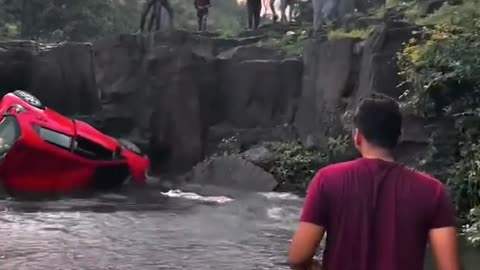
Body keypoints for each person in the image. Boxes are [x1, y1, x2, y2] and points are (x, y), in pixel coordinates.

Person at [288, 93, 461, 270]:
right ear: (398, 138)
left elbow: (298, 257)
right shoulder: (433, 191)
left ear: (358, 137)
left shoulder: (327, 179)